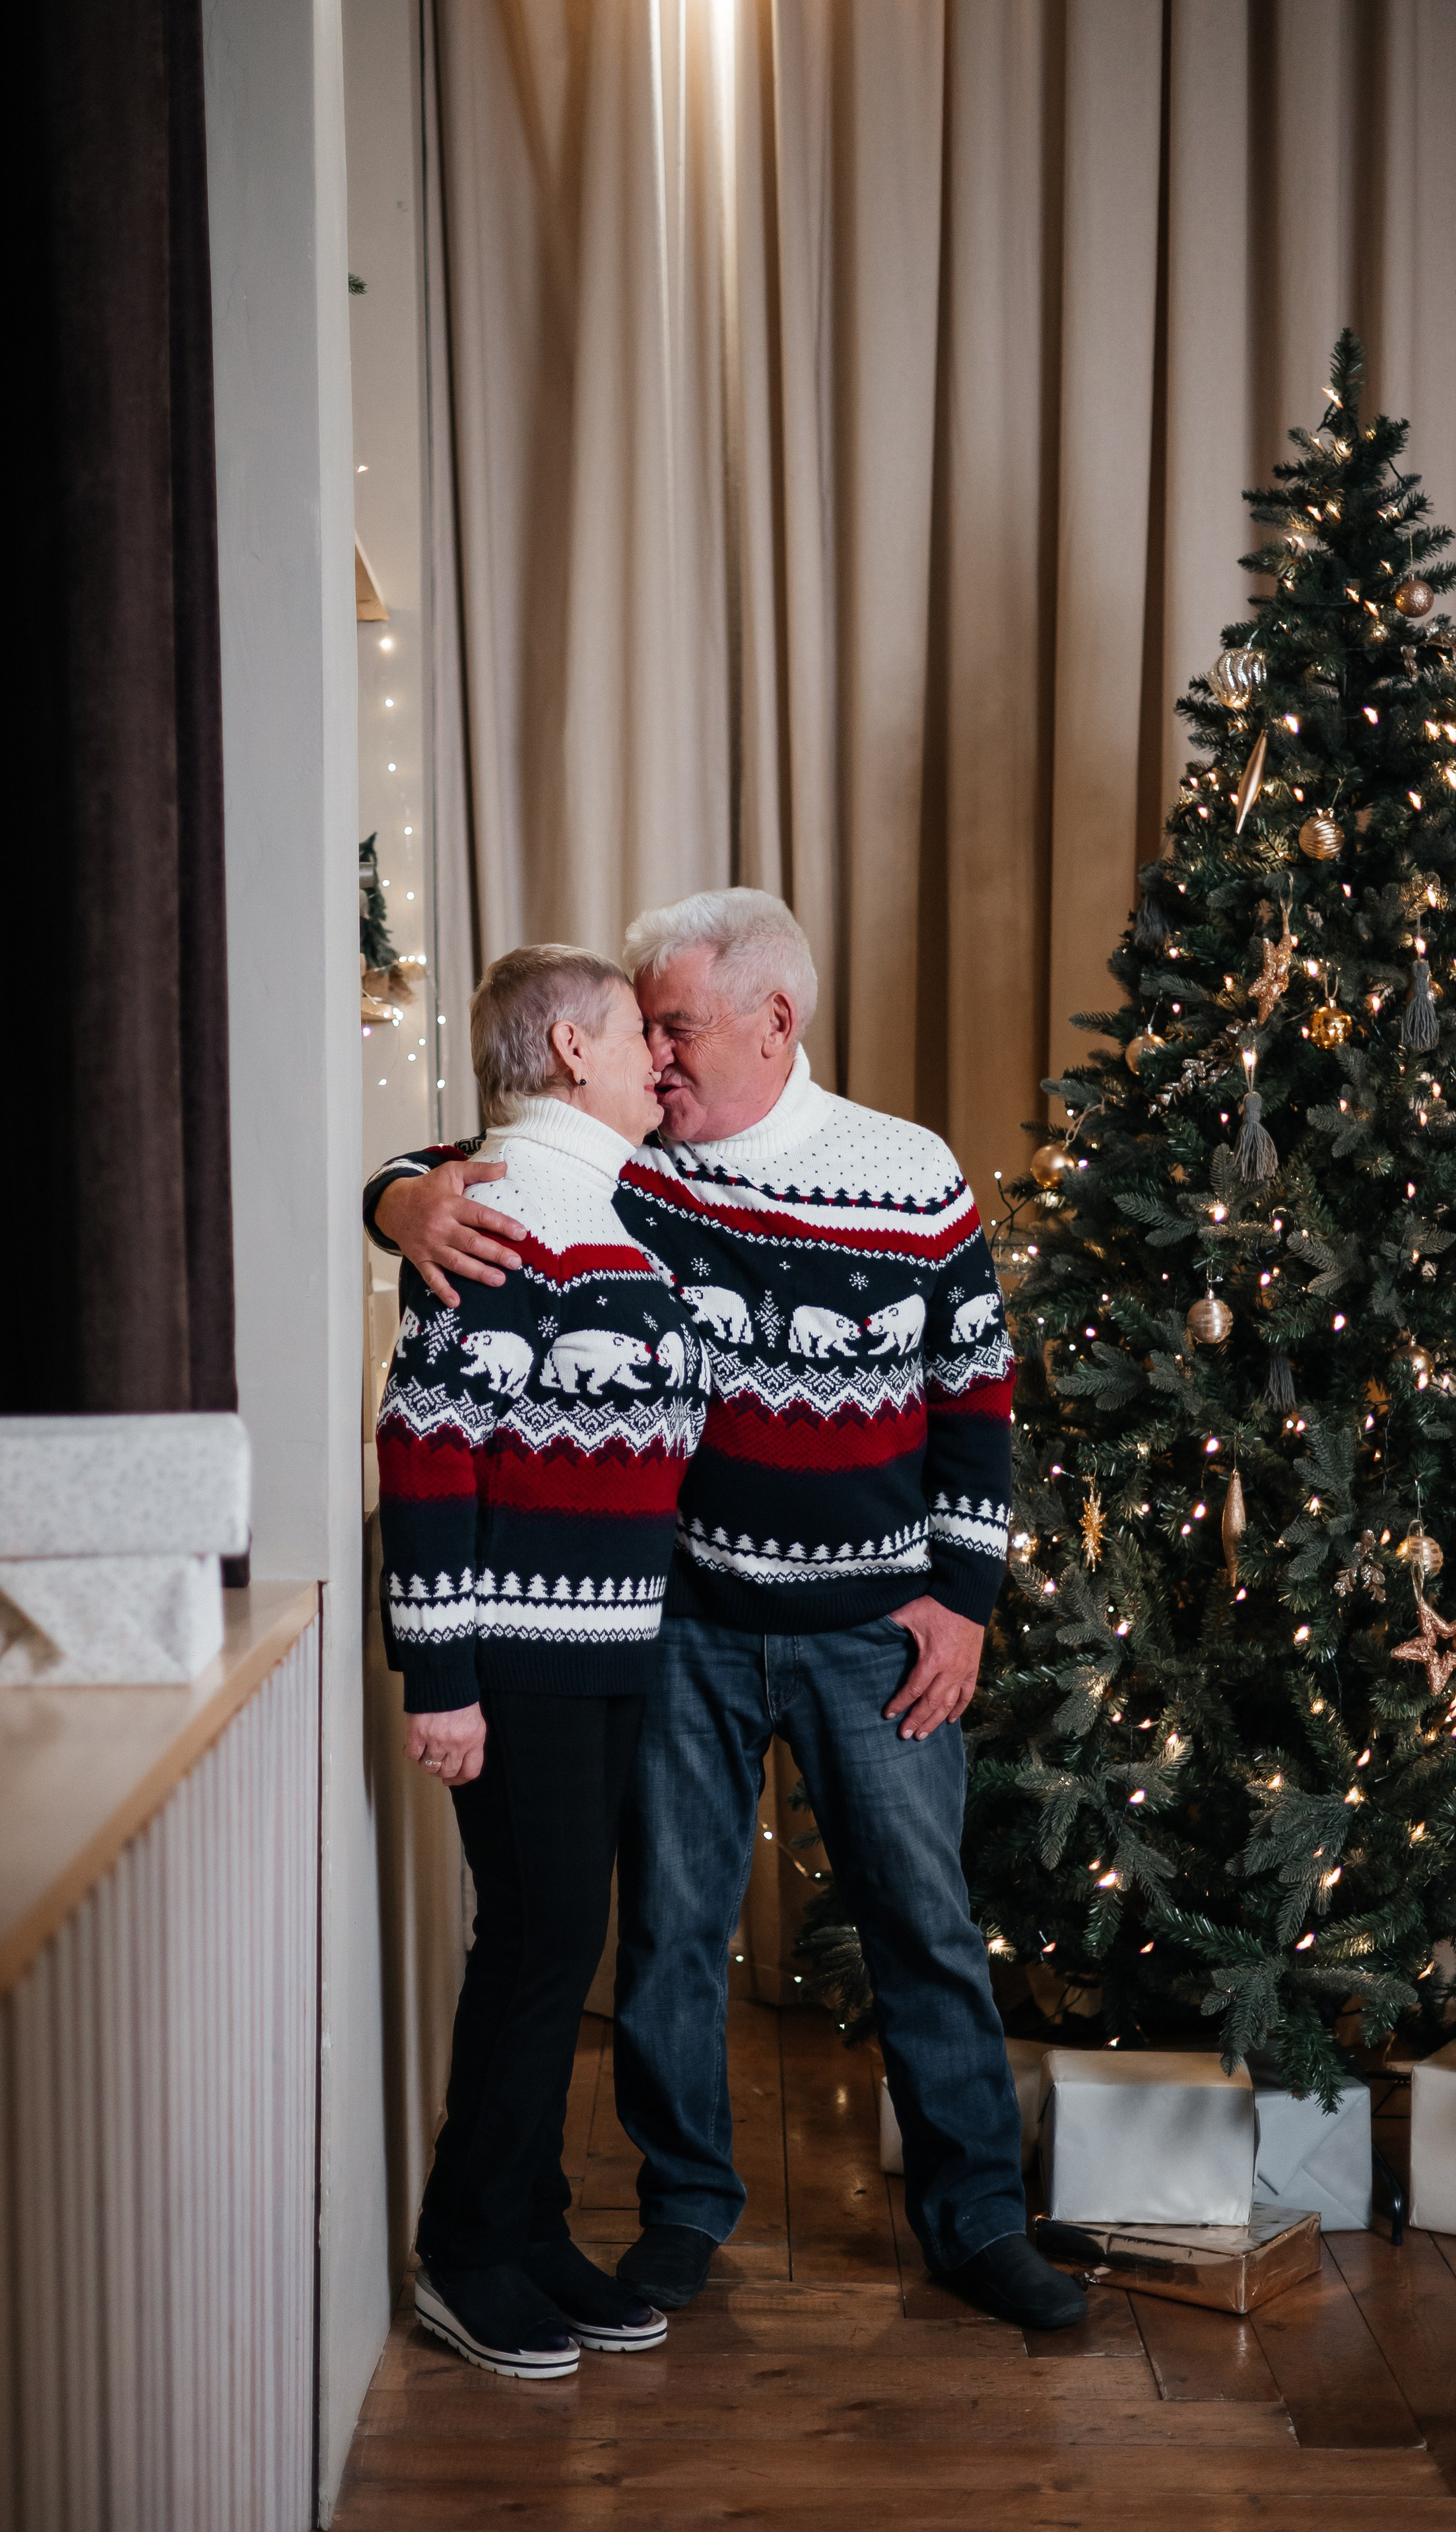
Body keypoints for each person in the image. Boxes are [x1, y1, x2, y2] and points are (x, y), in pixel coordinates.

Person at [368, 889, 1087, 2334]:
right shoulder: (626, 1167)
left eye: (676, 1026)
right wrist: (396, 1198)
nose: (657, 1057)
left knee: (923, 1923)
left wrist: (961, 1599)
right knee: (673, 1930)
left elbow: (975, 1399)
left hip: (875, 1625)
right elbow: (453, 1169)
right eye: (640, 1029)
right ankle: (684, 2211)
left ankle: (973, 2220)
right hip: (677, 1618)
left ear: (777, 1020)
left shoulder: (909, 1172)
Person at [377, 943, 712, 2379]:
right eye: (640, 1033)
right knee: (537, 1943)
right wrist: (437, 1673)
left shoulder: (600, 1206)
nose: (662, 1056)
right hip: (514, 1653)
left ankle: (530, 2225)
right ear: (571, 1049)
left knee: (554, 1941)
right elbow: (425, 1446)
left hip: (607, 1645)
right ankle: (464, 2249)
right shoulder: (506, 1210)